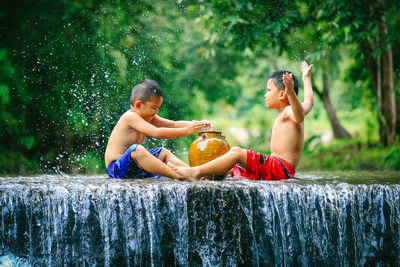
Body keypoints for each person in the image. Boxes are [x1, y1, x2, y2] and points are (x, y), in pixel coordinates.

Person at [168, 61, 314, 181]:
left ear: (282, 94)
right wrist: (306, 78)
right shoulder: (294, 109)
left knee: (236, 152)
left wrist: (290, 91)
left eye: (268, 91)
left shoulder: (289, 111)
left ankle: (195, 172)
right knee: (232, 167)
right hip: (278, 168)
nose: (265, 95)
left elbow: (299, 116)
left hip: (278, 168)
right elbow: (309, 100)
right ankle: (206, 174)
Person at [104, 79, 213, 180]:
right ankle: (178, 176)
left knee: (163, 152)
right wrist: (187, 131)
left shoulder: (149, 116)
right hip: (116, 169)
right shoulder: (130, 117)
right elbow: (156, 133)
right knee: (137, 149)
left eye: (158, 108)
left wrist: (197, 124)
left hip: (135, 168)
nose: (156, 112)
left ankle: (192, 172)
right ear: (138, 105)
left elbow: (173, 124)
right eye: (154, 108)